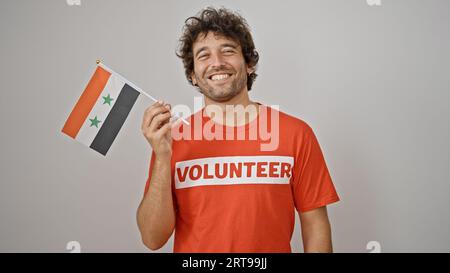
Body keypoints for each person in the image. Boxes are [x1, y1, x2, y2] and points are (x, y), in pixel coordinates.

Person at [137, 7, 340, 253]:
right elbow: (152, 238)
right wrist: (162, 157)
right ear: (193, 75)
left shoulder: (296, 134)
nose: (217, 63)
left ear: (249, 64)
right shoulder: (172, 140)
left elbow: (315, 226)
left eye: (228, 51)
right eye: (203, 55)